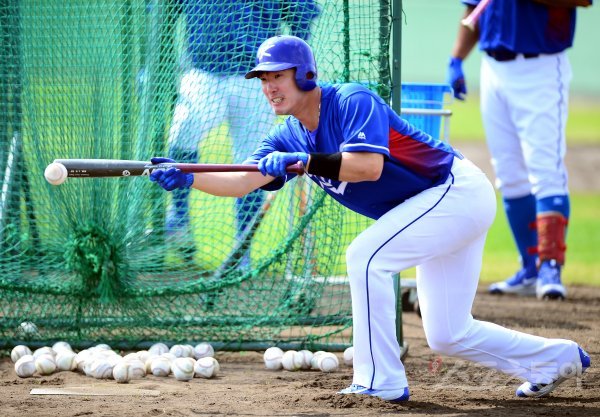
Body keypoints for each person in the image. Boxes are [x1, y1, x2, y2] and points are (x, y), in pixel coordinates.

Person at [149, 35, 590, 402]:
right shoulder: (286, 135)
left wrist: (305, 161)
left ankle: (380, 381)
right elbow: (242, 180)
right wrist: (188, 175)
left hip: (454, 192)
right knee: (448, 334)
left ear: (305, 75)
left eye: (277, 76)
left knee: (365, 256)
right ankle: (556, 359)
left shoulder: (351, 100)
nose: (269, 86)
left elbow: (366, 167)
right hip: (430, 209)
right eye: (263, 79)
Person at [446, 0, 593, 300]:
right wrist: (456, 59)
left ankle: (550, 267)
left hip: (540, 67)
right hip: (493, 69)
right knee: (508, 172)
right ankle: (530, 267)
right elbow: (474, 10)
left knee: (545, 167)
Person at [164, 1, 320, 263]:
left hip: (258, 77)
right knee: (183, 133)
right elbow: (161, 11)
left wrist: (299, 72)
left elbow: (302, 12)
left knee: (253, 162)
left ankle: (242, 250)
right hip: (203, 70)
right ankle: (179, 217)